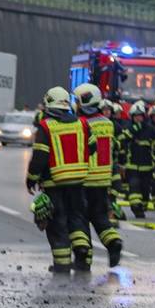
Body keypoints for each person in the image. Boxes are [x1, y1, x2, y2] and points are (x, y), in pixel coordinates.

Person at [27, 85, 92, 273]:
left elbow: (40, 156)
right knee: (77, 219)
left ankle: (62, 264)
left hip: (54, 184)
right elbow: (92, 147)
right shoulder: (82, 124)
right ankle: (82, 251)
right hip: (78, 182)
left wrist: (31, 179)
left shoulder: (46, 127)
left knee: (58, 224)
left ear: (48, 103)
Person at [73, 84, 124, 267]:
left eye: (77, 101)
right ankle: (113, 243)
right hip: (102, 180)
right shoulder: (108, 124)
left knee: (80, 219)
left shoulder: (81, 124)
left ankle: (83, 259)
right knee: (101, 217)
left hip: (84, 179)